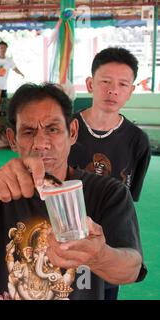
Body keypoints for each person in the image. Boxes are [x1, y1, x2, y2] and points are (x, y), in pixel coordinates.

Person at [0, 83, 146, 300]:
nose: (41, 143)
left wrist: (98, 255)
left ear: (73, 132)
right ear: (12, 139)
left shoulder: (108, 192)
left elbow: (131, 269)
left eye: (53, 129)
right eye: (29, 132)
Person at [68, 47, 151, 300]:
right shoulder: (64, 128)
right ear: (91, 83)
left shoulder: (138, 141)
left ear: (131, 90)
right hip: (63, 238)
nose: (113, 90)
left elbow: (128, 198)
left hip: (110, 246)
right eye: (105, 81)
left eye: (122, 84)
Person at [0, 41, 24, 149]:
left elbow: (15, 68)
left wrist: (21, 73)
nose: (3, 49)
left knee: (2, 113)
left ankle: (1, 137)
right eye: (1, 47)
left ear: (6, 49)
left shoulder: (9, 60)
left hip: (3, 89)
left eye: (4, 48)